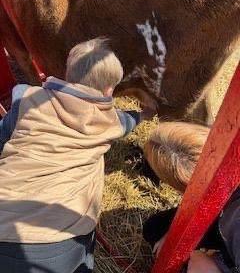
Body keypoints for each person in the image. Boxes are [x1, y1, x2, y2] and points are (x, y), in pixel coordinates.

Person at [0, 38, 153, 273]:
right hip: (57, 243)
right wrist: (144, 115)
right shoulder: (109, 121)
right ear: (109, 91)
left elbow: (3, 139)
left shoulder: (26, 99)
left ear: (67, 73)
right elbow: (128, 121)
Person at [143, 122, 240, 272]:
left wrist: (212, 267)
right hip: (224, 214)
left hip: (231, 232)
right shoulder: (229, 144)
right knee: (156, 227)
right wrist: (176, 233)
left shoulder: (236, 221)